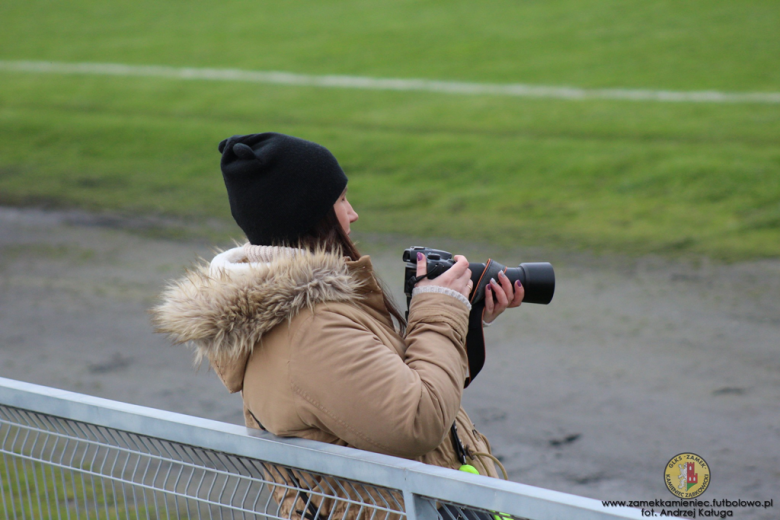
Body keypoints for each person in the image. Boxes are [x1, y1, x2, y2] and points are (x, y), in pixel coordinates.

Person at [152, 132, 523, 517]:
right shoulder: (309, 327)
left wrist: (460, 317)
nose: (353, 213)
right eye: (342, 200)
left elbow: (393, 389)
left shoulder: (309, 310)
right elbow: (416, 419)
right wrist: (439, 312)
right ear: (310, 215)